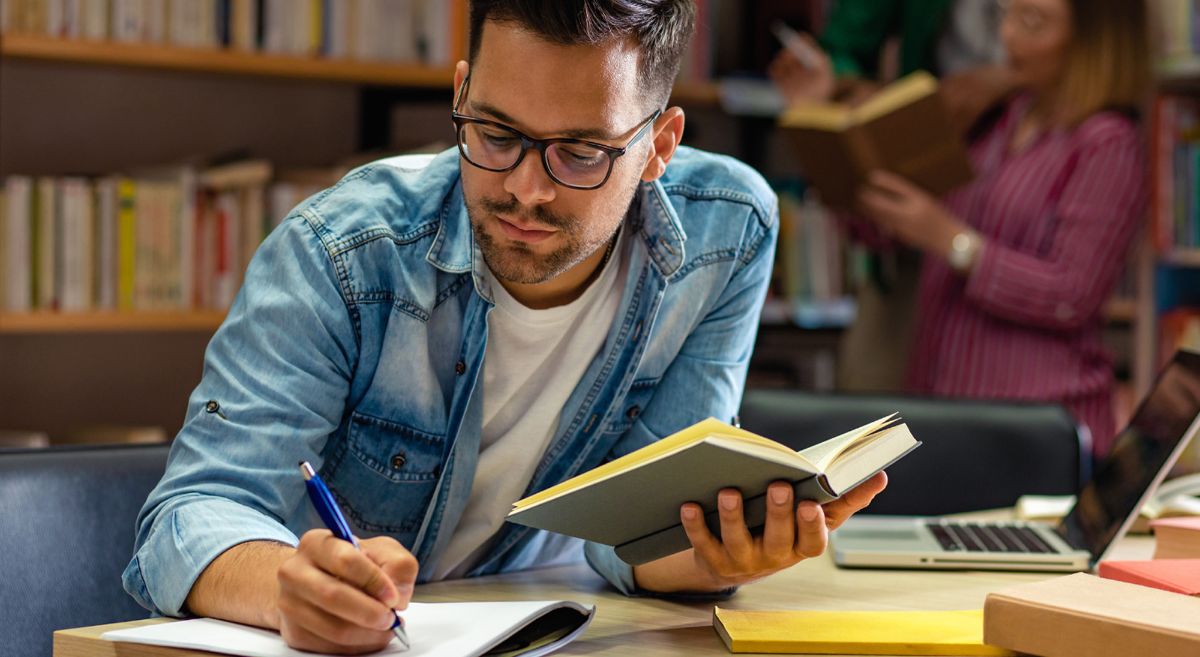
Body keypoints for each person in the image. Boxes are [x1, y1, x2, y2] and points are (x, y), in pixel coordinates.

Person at [122, 1, 887, 654]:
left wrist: (716, 553)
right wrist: (287, 589)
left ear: (659, 146)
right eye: (494, 133)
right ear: (460, 90)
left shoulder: (727, 233)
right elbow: (186, 519)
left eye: (580, 153)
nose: (526, 188)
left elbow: (635, 535)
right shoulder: (342, 252)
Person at [840, 0, 1149, 456]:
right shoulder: (996, 119)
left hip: (1034, 427)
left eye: (1033, 22)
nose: (1008, 36)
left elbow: (1072, 295)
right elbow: (907, 230)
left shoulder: (1108, 142)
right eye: (1005, 15)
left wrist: (953, 242)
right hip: (944, 409)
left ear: (1093, 39)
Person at [769, 0, 1018, 393]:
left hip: (994, 207)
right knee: (873, 391)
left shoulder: (1092, 141)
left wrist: (1008, 79)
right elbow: (844, 47)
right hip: (920, 179)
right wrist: (850, 88)